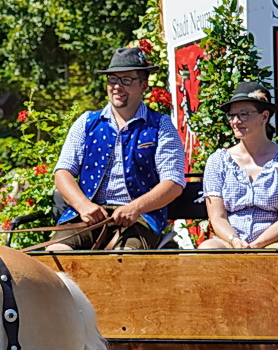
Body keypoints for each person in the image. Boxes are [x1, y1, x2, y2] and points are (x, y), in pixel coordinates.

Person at [48, 45, 187, 251]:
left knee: (124, 260)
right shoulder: (86, 122)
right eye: (112, 79)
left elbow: (173, 182)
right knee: (56, 254)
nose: (117, 86)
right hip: (89, 216)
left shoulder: (161, 126)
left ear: (144, 85)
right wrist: (83, 206)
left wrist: (135, 207)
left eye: (126, 80)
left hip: (140, 219)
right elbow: (63, 172)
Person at [196, 80, 278, 254]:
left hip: (275, 241)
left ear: (264, 116)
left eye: (243, 114)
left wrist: (255, 246)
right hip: (232, 241)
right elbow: (217, 217)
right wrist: (235, 242)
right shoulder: (218, 161)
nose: (235, 121)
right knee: (203, 252)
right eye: (232, 115)